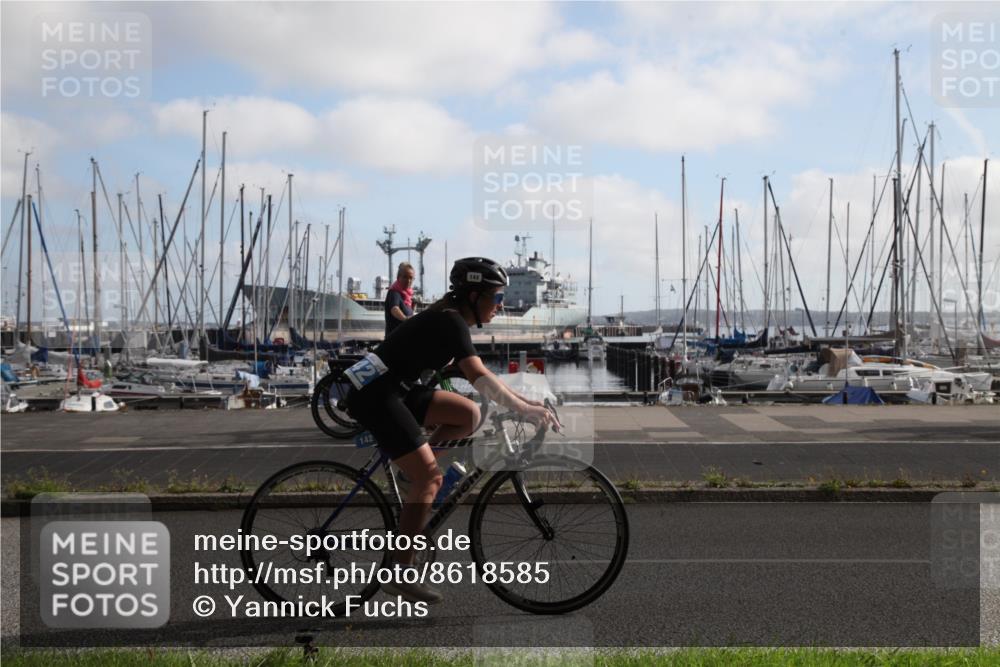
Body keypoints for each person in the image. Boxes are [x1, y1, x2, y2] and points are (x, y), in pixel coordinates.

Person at [346, 257, 558, 604]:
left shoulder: (451, 319)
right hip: (376, 395)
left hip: (395, 388)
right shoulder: (451, 322)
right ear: (474, 296)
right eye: (496, 297)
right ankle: (401, 570)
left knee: (468, 413)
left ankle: (413, 474)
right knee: (429, 478)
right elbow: (478, 376)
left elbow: (484, 378)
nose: (500, 305)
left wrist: (529, 404)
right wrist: (525, 408)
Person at [384, 262, 416, 337]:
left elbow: (408, 313)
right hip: (394, 340)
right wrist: (406, 319)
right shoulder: (394, 292)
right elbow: (394, 309)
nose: (408, 280)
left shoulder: (407, 295)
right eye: (405, 277)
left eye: (411, 278)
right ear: (398, 277)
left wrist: (413, 308)